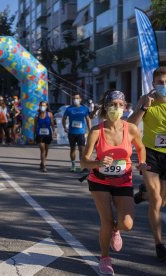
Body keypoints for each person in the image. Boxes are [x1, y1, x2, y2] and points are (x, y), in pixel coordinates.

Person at [80, 90, 148, 275]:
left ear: (125, 107)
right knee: (106, 221)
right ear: (106, 107)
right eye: (112, 105)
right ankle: (104, 258)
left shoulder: (131, 129)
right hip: (99, 180)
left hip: (123, 179)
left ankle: (115, 230)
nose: (116, 108)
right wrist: (98, 163)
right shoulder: (96, 131)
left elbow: (141, 148)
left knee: (127, 224)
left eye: (120, 105)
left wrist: (141, 163)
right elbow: (84, 161)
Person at [128, 66, 166, 261]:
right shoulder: (146, 100)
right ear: (153, 84)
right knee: (157, 200)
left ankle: (142, 194)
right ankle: (159, 244)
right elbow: (130, 125)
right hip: (151, 154)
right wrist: (144, 108)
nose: (164, 86)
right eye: (160, 83)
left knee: (161, 199)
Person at [62, 92, 92, 172]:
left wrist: (90, 129)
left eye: (77, 98)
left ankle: (83, 165)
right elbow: (64, 119)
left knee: (82, 149)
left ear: (80, 99)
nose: (75, 100)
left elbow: (88, 119)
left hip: (81, 132)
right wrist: (65, 127)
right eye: (74, 98)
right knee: (72, 149)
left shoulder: (84, 109)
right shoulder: (69, 109)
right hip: (71, 132)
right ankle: (73, 165)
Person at [34, 101, 56, 172]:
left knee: (46, 150)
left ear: (46, 107)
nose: (42, 107)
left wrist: (54, 132)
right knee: (42, 150)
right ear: (39, 106)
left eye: (44, 105)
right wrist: (34, 135)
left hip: (48, 134)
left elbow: (52, 124)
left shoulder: (49, 114)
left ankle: (42, 162)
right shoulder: (37, 116)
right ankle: (44, 165)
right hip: (40, 134)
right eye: (41, 105)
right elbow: (35, 126)